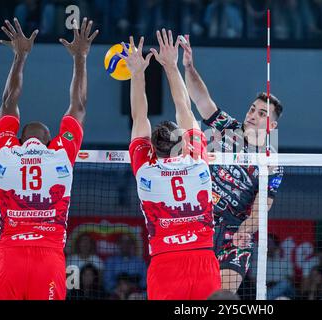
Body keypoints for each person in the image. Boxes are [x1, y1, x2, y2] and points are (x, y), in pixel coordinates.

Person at [0, 17, 98, 300]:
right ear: (50, 139)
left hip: (9, 256)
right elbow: (78, 105)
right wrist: (80, 58)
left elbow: (8, 101)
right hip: (48, 256)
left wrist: (20, 56)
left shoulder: (6, 150)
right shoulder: (60, 154)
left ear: (19, 137)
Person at [179, 35, 284, 293]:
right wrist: (189, 68)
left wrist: (245, 231)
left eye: (262, 114)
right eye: (252, 109)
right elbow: (202, 101)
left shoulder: (272, 163)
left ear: (272, 125)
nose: (253, 115)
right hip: (200, 220)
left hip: (234, 232)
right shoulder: (228, 128)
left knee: (223, 295)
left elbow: (263, 206)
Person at [120, 29, 220, 300]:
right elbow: (184, 108)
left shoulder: (144, 168)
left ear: (152, 149)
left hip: (165, 262)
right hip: (203, 260)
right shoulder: (197, 160)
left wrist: (138, 73)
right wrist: (170, 66)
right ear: (185, 143)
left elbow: (139, 115)